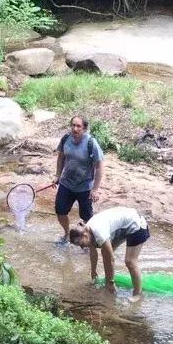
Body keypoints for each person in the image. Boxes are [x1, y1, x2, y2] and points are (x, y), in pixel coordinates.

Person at [68, 206, 150, 297]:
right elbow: (93, 252)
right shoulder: (87, 231)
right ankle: (110, 279)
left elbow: (110, 259)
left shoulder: (98, 232)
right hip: (124, 226)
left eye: (81, 244)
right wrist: (93, 271)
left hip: (137, 225)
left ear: (85, 235)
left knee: (130, 261)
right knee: (106, 252)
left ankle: (138, 293)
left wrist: (110, 282)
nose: (82, 247)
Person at [54, 115, 104, 245]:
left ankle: (89, 241)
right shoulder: (66, 139)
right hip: (66, 183)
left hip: (85, 187)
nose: (75, 129)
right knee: (60, 211)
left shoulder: (91, 143)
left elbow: (99, 167)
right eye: (73, 125)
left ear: (84, 128)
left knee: (87, 218)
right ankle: (66, 235)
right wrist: (57, 176)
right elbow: (61, 158)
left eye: (78, 126)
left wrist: (95, 189)